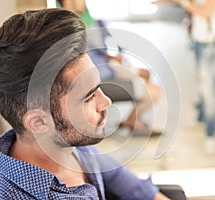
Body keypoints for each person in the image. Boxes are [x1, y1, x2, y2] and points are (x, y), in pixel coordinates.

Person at [0, 8, 171, 199]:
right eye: (88, 97)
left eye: (98, 87)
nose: (106, 101)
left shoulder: (67, 142)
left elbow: (117, 176)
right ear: (39, 122)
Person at [58, 0, 162, 137]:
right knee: (153, 91)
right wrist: (110, 58)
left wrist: (114, 55)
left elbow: (108, 42)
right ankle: (134, 120)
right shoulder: (67, 28)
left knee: (147, 77)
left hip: (108, 66)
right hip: (102, 71)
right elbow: (91, 56)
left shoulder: (92, 21)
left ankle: (133, 120)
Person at [154, 0, 215, 154]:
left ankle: (210, 135)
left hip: (211, 42)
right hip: (200, 39)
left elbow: (205, 12)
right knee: (203, 85)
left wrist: (183, 3)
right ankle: (202, 119)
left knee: (208, 90)